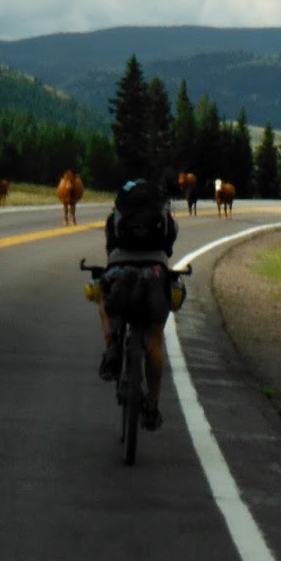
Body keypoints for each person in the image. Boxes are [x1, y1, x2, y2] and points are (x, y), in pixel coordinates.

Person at [97, 178, 182, 431]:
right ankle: (152, 408)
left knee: (102, 295)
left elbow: (110, 247)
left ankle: (112, 343)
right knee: (154, 341)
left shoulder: (115, 216)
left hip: (119, 265)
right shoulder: (164, 216)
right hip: (155, 269)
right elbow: (168, 248)